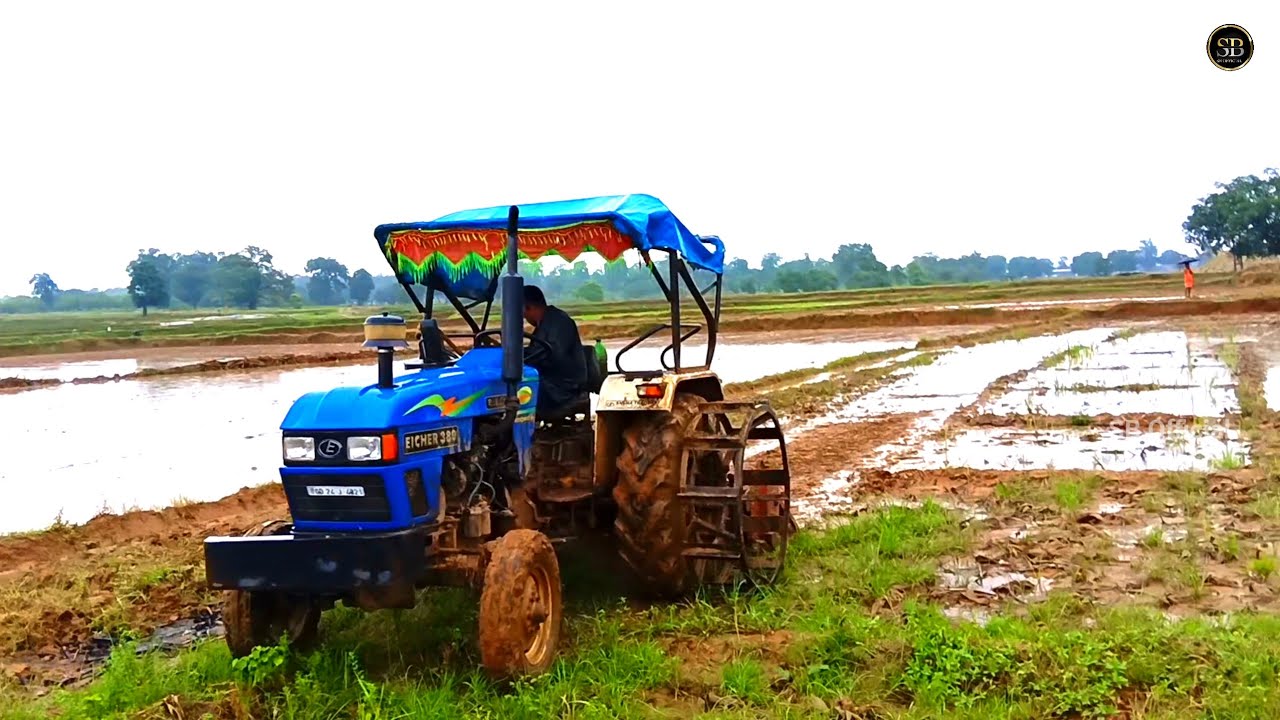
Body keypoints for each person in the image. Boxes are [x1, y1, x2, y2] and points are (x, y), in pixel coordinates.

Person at [522, 285, 587, 418]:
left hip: (562, 385)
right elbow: (537, 352)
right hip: (552, 378)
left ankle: (519, 428)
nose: (525, 318)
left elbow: (551, 355)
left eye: (523, 314)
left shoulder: (559, 322)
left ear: (529, 307)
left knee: (519, 387)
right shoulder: (544, 325)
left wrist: (522, 356)